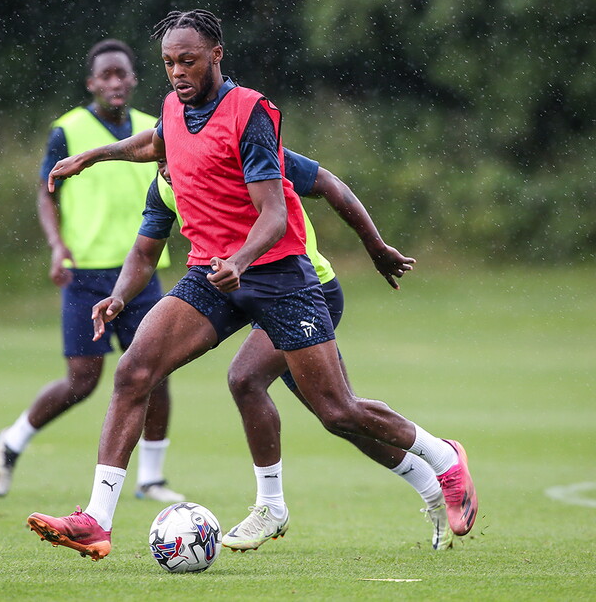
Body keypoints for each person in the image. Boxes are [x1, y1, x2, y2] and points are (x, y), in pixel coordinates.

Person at [25, 10, 477, 561]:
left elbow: (274, 216)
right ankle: (97, 520)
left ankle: (444, 457)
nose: (177, 72)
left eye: (187, 60)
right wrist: (92, 157)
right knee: (134, 369)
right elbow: (156, 144)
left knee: (338, 411)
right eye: (168, 63)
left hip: (279, 276)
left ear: (217, 54)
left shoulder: (251, 114)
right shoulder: (174, 108)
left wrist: (245, 259)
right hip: (212, 275)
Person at [147, 153, 453, 551]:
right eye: (160, 160)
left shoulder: (243, 149)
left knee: (247, 378)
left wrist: (375, 245)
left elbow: (328, 183)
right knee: (341, 416)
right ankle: (435, 492)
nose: (170, 167)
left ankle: (271, 506)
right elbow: (145, 246)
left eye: (174, 155)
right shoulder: (168, 186)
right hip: (259, 300)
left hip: (306, 291)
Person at [0, 39, 184, 503]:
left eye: (122, 74)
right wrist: (57, 246)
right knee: (82, 381)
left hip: (140, 272)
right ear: (92, 83)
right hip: (86, 273)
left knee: (156, 371)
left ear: (134, 80)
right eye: (105, 75)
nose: (114, 82)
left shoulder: (153, 130)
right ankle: (12, 441)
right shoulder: (67, 131)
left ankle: (151, 478)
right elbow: (45, 193)